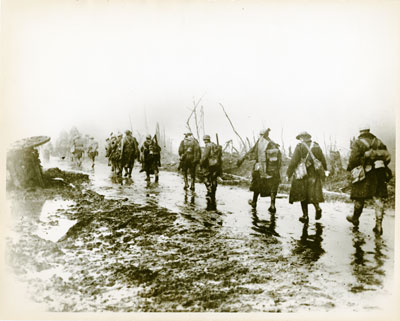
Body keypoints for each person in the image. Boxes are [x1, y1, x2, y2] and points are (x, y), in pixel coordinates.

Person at [345, 125, 391, 235]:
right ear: (369, 131)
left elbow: (353, 160)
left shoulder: (357, 143)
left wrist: (351, 168)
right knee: (378, 199)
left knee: (359, 197)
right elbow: (387, 157)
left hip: (365, 174)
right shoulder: (378, 141)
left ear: (360, 131)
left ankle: (355, 218)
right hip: (379, 173)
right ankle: (379, 226)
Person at [286, 131, 328, 223]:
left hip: (303, 174)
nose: (300, 139)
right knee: (312, 193)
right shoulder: (317, 146)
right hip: (314, 174)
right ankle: (317, 208)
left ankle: (305, 216)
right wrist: (324, 170)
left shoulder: (299, 147)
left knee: (303, 195)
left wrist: (288, 173)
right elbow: (323, 160)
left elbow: (293, 162)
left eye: (300, 138)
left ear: (303, 137)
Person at [237, 128, 282, 213]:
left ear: (261, 135)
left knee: (257, 185)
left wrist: (241, 160)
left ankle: (254, 202)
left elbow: (251, 153)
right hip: (273, 169)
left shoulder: (259, 142)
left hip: (260, 168)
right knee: (273, 187)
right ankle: (272, 205)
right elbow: (279, 159)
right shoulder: (273, 144)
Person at [200, 134, 222, 210]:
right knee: (214, 179)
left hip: (210, 165)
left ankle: (209, 190)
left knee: (205, 177)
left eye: (204, 140)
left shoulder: (208, 146)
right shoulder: (215, 145)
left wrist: (201, 163)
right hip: (217, 165)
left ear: (205, 140)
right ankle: (213, 193)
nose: (204, 141)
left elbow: (205, 156)